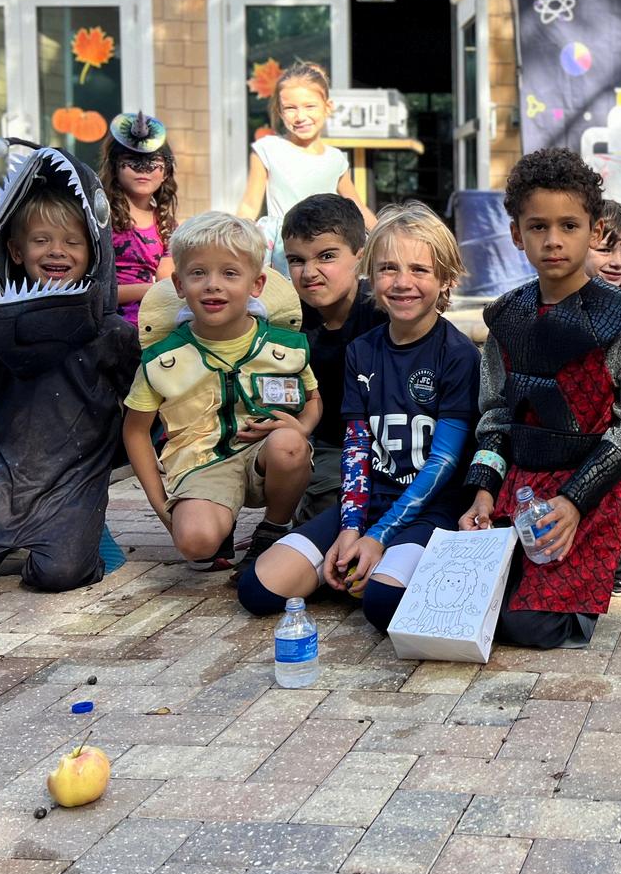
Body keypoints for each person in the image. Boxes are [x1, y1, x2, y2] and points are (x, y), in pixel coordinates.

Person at [238, 203, 479, 632]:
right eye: (388, 269)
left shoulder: (458, 354)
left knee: (383, 605)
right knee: (256, 591)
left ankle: (379, 565)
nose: (402, 282)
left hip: (432, 508)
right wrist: (351, 528)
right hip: (371, 500)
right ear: (371, 273)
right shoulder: (362, 350)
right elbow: (356, 449)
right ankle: (353, 564)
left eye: (419, 270)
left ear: (445, 278)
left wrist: (378, 536)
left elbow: (443, 463)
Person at [0, 147, 140, 597]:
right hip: (2, 485)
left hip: (74, 485)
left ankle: (76, 544)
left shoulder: (113, 334)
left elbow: (142, 402)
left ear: (93, 251)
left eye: (73, 241)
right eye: (41, 240)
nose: (57, 251)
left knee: (58, 575)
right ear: (16, 250)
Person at [459, 148, 621, 647]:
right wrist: (483, 491)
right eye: (537, 226)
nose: (553, 240)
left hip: (591, 486)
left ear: (593, 230)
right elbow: (496, 415)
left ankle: (620, 541)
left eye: (569, 226)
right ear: (516, 234)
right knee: (472, 605)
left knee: (532, 626)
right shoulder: (506, 316)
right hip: (521, 487)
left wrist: (574, 501)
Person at [121, 212, 319, 572]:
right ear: (179, 284)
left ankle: (273, 528)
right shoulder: (163, 359)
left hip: (266, 456)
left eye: (230, 273)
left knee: (290, 444)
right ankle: (212, 524)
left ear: (256, 284)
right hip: (202, 464)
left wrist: (301, 427)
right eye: (198, 273)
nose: (213, 285)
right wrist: (164, 507)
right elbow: (135, 431)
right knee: (195, 542)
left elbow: (313, 399)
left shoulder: (283, 347)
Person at [282, 194, 386, 523]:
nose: (309, 272)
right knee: (330, 507)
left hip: (386, 442)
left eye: (326, 256)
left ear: (360, 256)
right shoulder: (286, 323)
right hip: (323, 444)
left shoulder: (385, 314)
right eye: (296, 260)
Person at [236, 61, 375, 268]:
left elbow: (357, 206)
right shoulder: (268, 149)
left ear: (328, 107)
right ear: (280, 112)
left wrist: (385, 235)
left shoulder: (335, 159)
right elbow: (249, 205)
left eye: (310, 106)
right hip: (283, 249)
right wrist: (232, 243)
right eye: (290, 108)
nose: (300, 117)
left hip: (326, 246)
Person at [100, 112, 178, 326]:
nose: (143, 169)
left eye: (153, 161)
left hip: (153, 325)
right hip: (106, 325)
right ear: (114, 166)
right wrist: (150, 289)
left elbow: (167, 284)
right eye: (132, 160)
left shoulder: (167, 225)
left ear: (166, 172)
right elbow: (96, 292)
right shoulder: (100, 217)